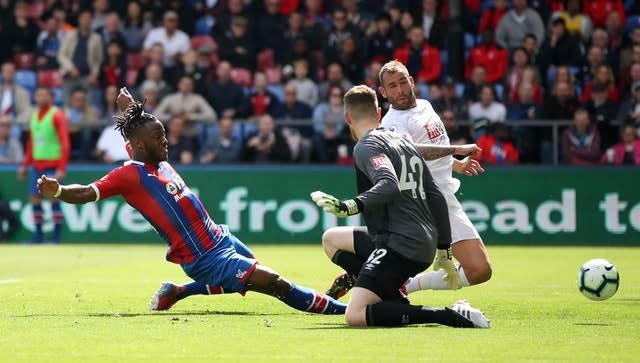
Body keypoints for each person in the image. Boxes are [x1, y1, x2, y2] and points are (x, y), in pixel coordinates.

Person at [36, 87, 346, 315]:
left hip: (220, 237)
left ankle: (178, 292)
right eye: (159, 138)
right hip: (205, 259)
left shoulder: (155, 157)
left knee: (253, 277)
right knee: (276, 284)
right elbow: (88, 193)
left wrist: (132, 107)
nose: (166, 141)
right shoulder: (129, 175)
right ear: (141, 145)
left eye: (164, 135)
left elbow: (136, 129)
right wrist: (60, 191)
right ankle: (345, 311)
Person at [310, 85, 488, 328]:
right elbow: (435, 195)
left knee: (355, 315)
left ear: (347, 117)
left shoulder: (366, 146)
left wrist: (349, 206)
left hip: (399, 244)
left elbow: (389, 184)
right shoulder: (403, 142)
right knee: (331, 238)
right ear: (379, 113)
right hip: (420, 241)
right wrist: (444, 250)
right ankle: (388, 293)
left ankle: (448, 315)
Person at [17, 87, 70, 243]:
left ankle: (55, 238)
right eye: (38, 94)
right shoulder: (34, 116)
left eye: (44, 95)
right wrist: (25, 165)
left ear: (50, 97)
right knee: (34, 198)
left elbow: (64, 142)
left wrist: (62, 167)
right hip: (37, 166)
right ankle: (39, 236)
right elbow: (31, 143)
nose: (40, 97)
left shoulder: (56, 115)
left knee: (54, 198)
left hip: (53, 165)